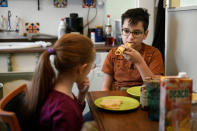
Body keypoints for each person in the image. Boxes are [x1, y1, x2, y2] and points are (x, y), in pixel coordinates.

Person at [24, 34, 95, 131]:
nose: (91, 69)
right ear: (82, 68)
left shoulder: (53, 86)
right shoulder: (66, 110)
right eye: (92, 65)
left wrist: (81, 95)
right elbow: (71, 115)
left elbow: (74, 113)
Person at [101, 8, 164, 91]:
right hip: (118, 97)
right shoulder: (113, 54)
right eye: (126, 31)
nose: (130, 38)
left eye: (136, 33)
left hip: (143, 97)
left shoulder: (154, 53)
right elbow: (105, 87)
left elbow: (155, 88)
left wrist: (139, 61)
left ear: (145, 34)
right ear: (121, 31)